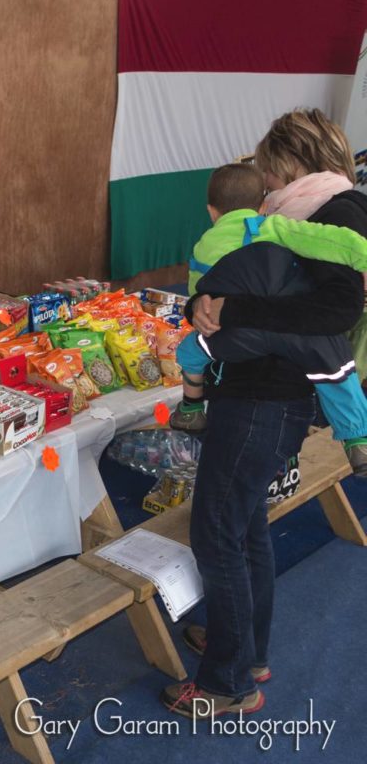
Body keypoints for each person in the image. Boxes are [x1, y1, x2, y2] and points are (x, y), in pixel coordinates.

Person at [161, 108, 367, 719]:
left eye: (271, 171)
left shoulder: (334, 214)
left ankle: (227, 683)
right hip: (255, 393)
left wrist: (231, 313)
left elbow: (333, 313)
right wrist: (204, 304)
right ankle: (245, 649)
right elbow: (236, 283)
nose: (267, 185)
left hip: (264, 399)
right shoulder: (296, 215)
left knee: (216, 529)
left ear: (295, 163)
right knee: (244, 523)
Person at [170, 163, 367, 476]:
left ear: (211, 212)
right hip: (291, 332)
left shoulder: (202, 246)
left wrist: (199, 311)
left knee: (192, 351)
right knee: (336, 370)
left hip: (236, 336)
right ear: (263, 205)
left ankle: (191, 409)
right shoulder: (273, 226)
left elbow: (199, 295)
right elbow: (331, 241)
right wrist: (362, 257)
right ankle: (357, 440)